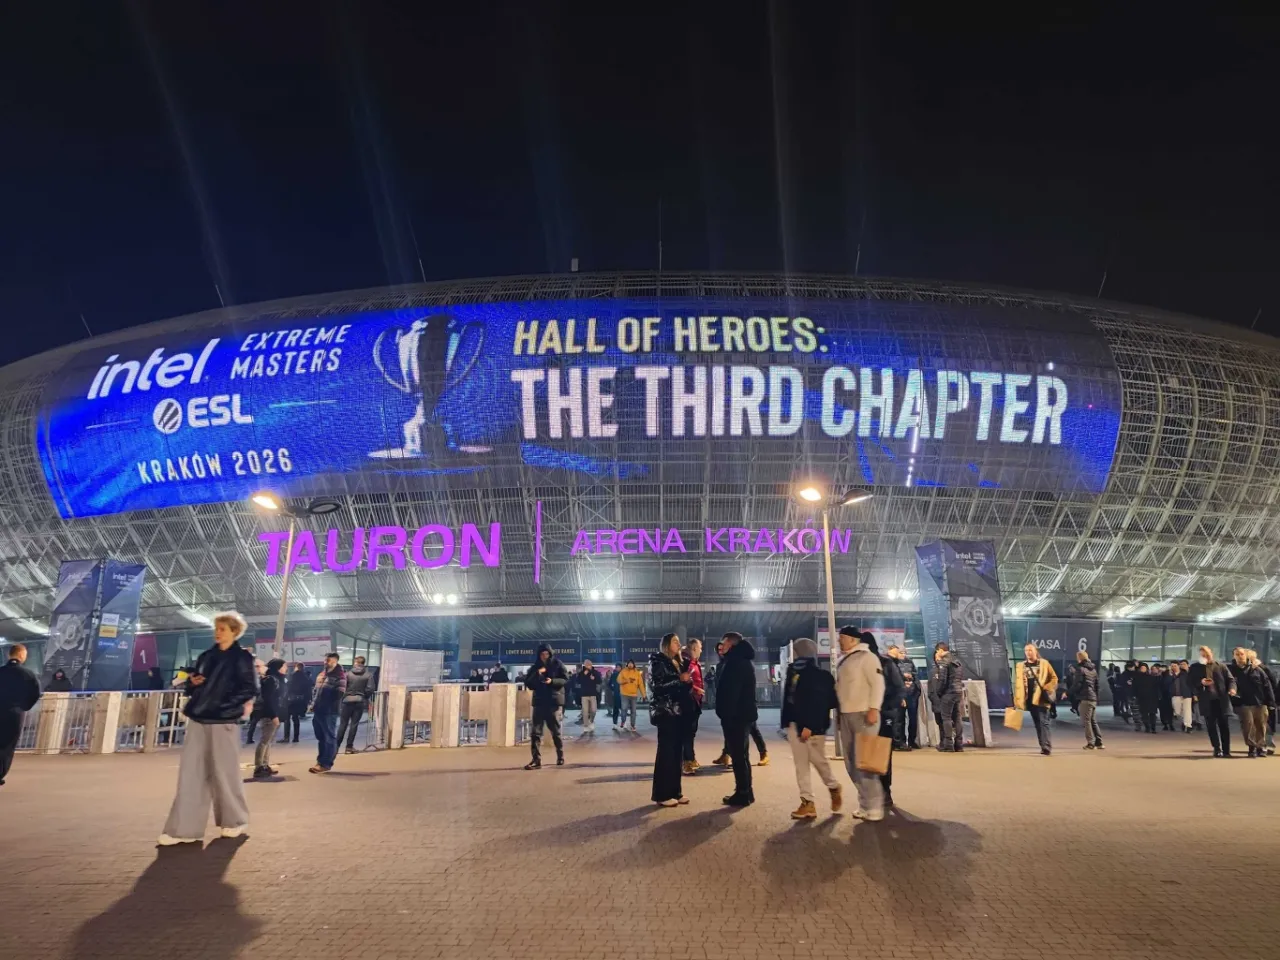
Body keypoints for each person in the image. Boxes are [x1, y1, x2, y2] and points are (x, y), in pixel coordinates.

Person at [158, 612, 257, 844]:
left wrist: (223, 705)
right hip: (199, 718)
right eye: (217, 628)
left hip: (223, 721)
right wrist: (193, 685)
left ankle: (235, 821)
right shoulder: (205, 656)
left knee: (226, 773)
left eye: (222, 628)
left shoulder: (242, 658)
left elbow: (250, 688)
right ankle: (184, 830)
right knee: (190, 774)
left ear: (234, 631)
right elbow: (194, 686)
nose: (218, 632)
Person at [781, 637, 840, 819]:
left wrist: (810, 725)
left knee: (818, 761)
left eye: (797, 651)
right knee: (801, 766)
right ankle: (807, 802)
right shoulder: (792, 672)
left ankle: (833, 786)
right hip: (793, 725)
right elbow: (789, 700)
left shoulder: (820, 676)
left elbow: (825, 702)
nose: (795, 655)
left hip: (811, 727)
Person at [834, 625, 885, 821]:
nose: (840, 642)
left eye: (842, 638)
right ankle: (865, 804)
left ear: (853, 640)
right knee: (851, 764)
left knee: (867, 763)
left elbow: (878, 684)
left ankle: (875, 807)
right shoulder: (844, 660)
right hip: (846, 715)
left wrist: (874, 708)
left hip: (865, 715)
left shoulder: (867, 657)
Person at [714, 631, 757, 807]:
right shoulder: (739, 661)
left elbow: (731, 692)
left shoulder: (735, 663)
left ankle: (742, 793)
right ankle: (747, 791)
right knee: (742, 755)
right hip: (742, 715)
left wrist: (725, 713)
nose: (721, 646)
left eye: (724, 643)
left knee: (739, 756)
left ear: (732, 644)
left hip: (736, 717)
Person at [649, 634, 692, 806]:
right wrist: (678, 680)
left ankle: (676, 791)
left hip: (679, 712)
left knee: (677, 753)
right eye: (675, 641)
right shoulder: (658, 662)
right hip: (666, 712)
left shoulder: (679, 662)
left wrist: (687, 682)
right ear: (666, 644)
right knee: (666, 753)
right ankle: (662, 794)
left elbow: (682, 687)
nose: (679, 644)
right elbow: (657, 687)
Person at [862, 634, 904, 806]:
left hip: (884, 715)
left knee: (882, 754)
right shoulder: (861, 664)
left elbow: (899, 687)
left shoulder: (886, 663)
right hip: (866, 717)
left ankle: (885, 792)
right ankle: (874, 793)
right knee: (868, 755)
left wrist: (886, 708)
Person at [0, 644, 41, 786]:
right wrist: (24, 707)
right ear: (22, 656)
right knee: (7, 745)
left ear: (8, 655)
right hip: (14, 715)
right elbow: (35, 693)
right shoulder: (28, 674)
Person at [524, 644, 568, 769]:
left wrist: (552, 681)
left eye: (546, 654)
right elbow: (528, 683)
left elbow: (565, 679)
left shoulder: (557, 664)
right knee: (535, 733)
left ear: (550, 654)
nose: (544, 656)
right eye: (542, 654)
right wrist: (537, 673)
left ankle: (560, 756)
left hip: (553, 702)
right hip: (539, 702)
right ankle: (536, 759)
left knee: (555, 731)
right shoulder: (535, 667)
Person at [1188, 645, 1235, 758]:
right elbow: (1190, 682)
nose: (1205, 656)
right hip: (1207, 700)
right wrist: (1201, 682)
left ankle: (1226, 750)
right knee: (1211, 726)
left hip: (1221, 700)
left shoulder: (1221, 666)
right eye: (1203, 654)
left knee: (1224, 725)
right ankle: (1217, 748)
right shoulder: (1195, 667)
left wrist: (1232, 688)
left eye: (1207, 654)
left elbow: (1230, 679)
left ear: (1211, 653)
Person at [1012, 644, 1058, 755]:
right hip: (1030, 699)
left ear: (1035, 651)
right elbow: (1018, 684)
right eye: (1026, 650)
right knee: (1037, 723)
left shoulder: (1044, 663)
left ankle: (1047, 746)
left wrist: (1047, 687)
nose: (1028, 652)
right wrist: (1017, 699)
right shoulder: (1020, 666)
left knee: (1044, 722)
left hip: (1042, 698)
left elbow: (1054, 678)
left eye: (1030, 650)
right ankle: (1043, 746)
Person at [1228, 647, 1274, 758]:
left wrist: (1271, 702)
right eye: (1237, 654)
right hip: (1243, 703)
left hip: (1260, 703)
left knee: (1261, 726)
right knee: (1248, 726)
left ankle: (1261, 747)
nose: (1240, 656)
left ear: (1246, 655)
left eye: (1242, 654)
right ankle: (1251, 747)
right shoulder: (1231, 670)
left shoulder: (1257, 669)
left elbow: (1267, 685)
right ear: (1234, 656)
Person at [310, 652, 346, 774]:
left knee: (329, 737)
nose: (326, 662)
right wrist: (313, 704)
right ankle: (320, 761)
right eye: (325, 660)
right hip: (318, 710)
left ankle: (326, 763)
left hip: (329, 711)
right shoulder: (321, 674)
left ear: (335, 661)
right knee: (321, 737)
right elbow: (315, 691)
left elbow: (339, 694)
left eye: (328, 660)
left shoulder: (340, 676)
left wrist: (324, 700)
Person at [253, 658, 287, 778]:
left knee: (269, 742)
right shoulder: (271, 680)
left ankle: (265, 765)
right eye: (283, 666)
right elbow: (268, 699)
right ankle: (258, 767)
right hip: (269, 714)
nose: (285, 668)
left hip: (275, 713)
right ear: (277, 667)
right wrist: (273, 715)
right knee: (264, 741)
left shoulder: (278, 679)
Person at [337, 655, 376, 754]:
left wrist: (345, 696)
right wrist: (363, 696)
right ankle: (349, 748)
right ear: (364, 663)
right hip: (359, 702)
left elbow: (341, 687)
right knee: (354, 725)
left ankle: (335, 747)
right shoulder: (368, 675)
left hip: (346, 701)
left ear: (355, 663)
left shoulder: (347, 674)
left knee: (343, 724)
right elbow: (370, 689)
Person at [932, 642, 965, 752]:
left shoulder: (944, 662)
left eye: (937, 651)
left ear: (940, 650)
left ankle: (948, 744)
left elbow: (942, 680)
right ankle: (959, 744)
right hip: (958, 692)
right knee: (957, 718)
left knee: (946, 718)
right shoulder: (957, 661)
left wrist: (938, 691)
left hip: (948, 693)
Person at [1068, 650, 1104, 750]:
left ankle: (1090, 743)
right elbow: (1097, 685)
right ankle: (1099, 742)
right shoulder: (1093, 669)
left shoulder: (1081, 669)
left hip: (1085, 698)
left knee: (1086, 721)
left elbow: (1077, 685)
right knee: (1093, 720)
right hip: (1093, 698)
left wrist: (1067, 693)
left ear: (1079, 658)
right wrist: (1096, 697)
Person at [887, 646, 920, 750]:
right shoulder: (893, 663)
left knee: (913, 720)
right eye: (900, 652)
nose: (903, 654)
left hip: (912, 694)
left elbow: (915, 675)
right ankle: (900, 741)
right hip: (900, 695)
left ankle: (912, 741)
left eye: (904, 652)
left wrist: (913, 680)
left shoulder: (910, 662)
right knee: (899, 719)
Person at [681, 639, 705, 774]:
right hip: (688, 701)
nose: (701, 650)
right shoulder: (688, 663)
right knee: (688, 733)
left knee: (691, 732)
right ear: (694, 648)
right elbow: (684, 680)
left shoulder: (695, 662)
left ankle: (691, 757)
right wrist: (696, 689)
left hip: (695, 701)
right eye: (700, 647)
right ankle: (687, 762)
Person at [280, 662, 309, 743]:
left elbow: (287, 687)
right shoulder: (305, 677)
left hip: (290, 700)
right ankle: (296, 738)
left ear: (296, 667)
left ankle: (286, 737)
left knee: (287, 719)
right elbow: (308, 691)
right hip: (299, 700)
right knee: (296, 719)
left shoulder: (292, 676)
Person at [616, 659, 645, 733]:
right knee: (624, 709)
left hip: (634, 695)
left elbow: (641, 685)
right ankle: (623, 721)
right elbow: (618, 680)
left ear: (634, 664)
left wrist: (644, 694)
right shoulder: (623, 671)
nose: (630, 665)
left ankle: (633, 725)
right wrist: (626, 681)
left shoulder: (637, 673)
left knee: (633, 711)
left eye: (631, 663)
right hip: (624, 694)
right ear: (627, 664)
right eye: (629, 663)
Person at [245, 659, 268, 744]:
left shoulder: (254, 678)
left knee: (254, 722)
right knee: (262, 722)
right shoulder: (260, 679)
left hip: (255, 703)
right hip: (260, 703)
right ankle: (258, 739)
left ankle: (249, 738)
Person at [577, 660, 602, 737]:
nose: (588, 666)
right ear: (584, 665)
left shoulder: (595, 672)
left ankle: (591, 721)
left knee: (594, 710)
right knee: (585, 711)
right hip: (584, 695)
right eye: (586, 665)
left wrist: (594, 678)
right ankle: (585, 725)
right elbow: (578, 681)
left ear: (591, 665)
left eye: (589, 664)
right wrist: (583, 675)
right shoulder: (581, 673)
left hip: (593, 694)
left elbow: (600, 681)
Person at [1170, 660, 1194, 733]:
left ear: (1178, 666)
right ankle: (1184, 722)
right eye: (1172, 666)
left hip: (1186, 695)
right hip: (1175, 695)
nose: (1173, 667)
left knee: (1187, 711)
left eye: (1175, 666)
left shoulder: (1185, 674)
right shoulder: (1170, 675)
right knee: (1177, 712)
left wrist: (1194, 694)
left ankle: (1188, 726)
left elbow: (1191, 684)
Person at [1156, 664, 1175, 731]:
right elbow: (1157, 687)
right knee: (1163, 711)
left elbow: (1172, 686)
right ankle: (1165, 724)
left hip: (1169, 696)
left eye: (1164, 668)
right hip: (1162, 696)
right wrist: (1159, 695)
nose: (1162, 669)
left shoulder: (1171, 677)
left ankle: (1170, 724)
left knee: (1169, 711)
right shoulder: (1159, 677)